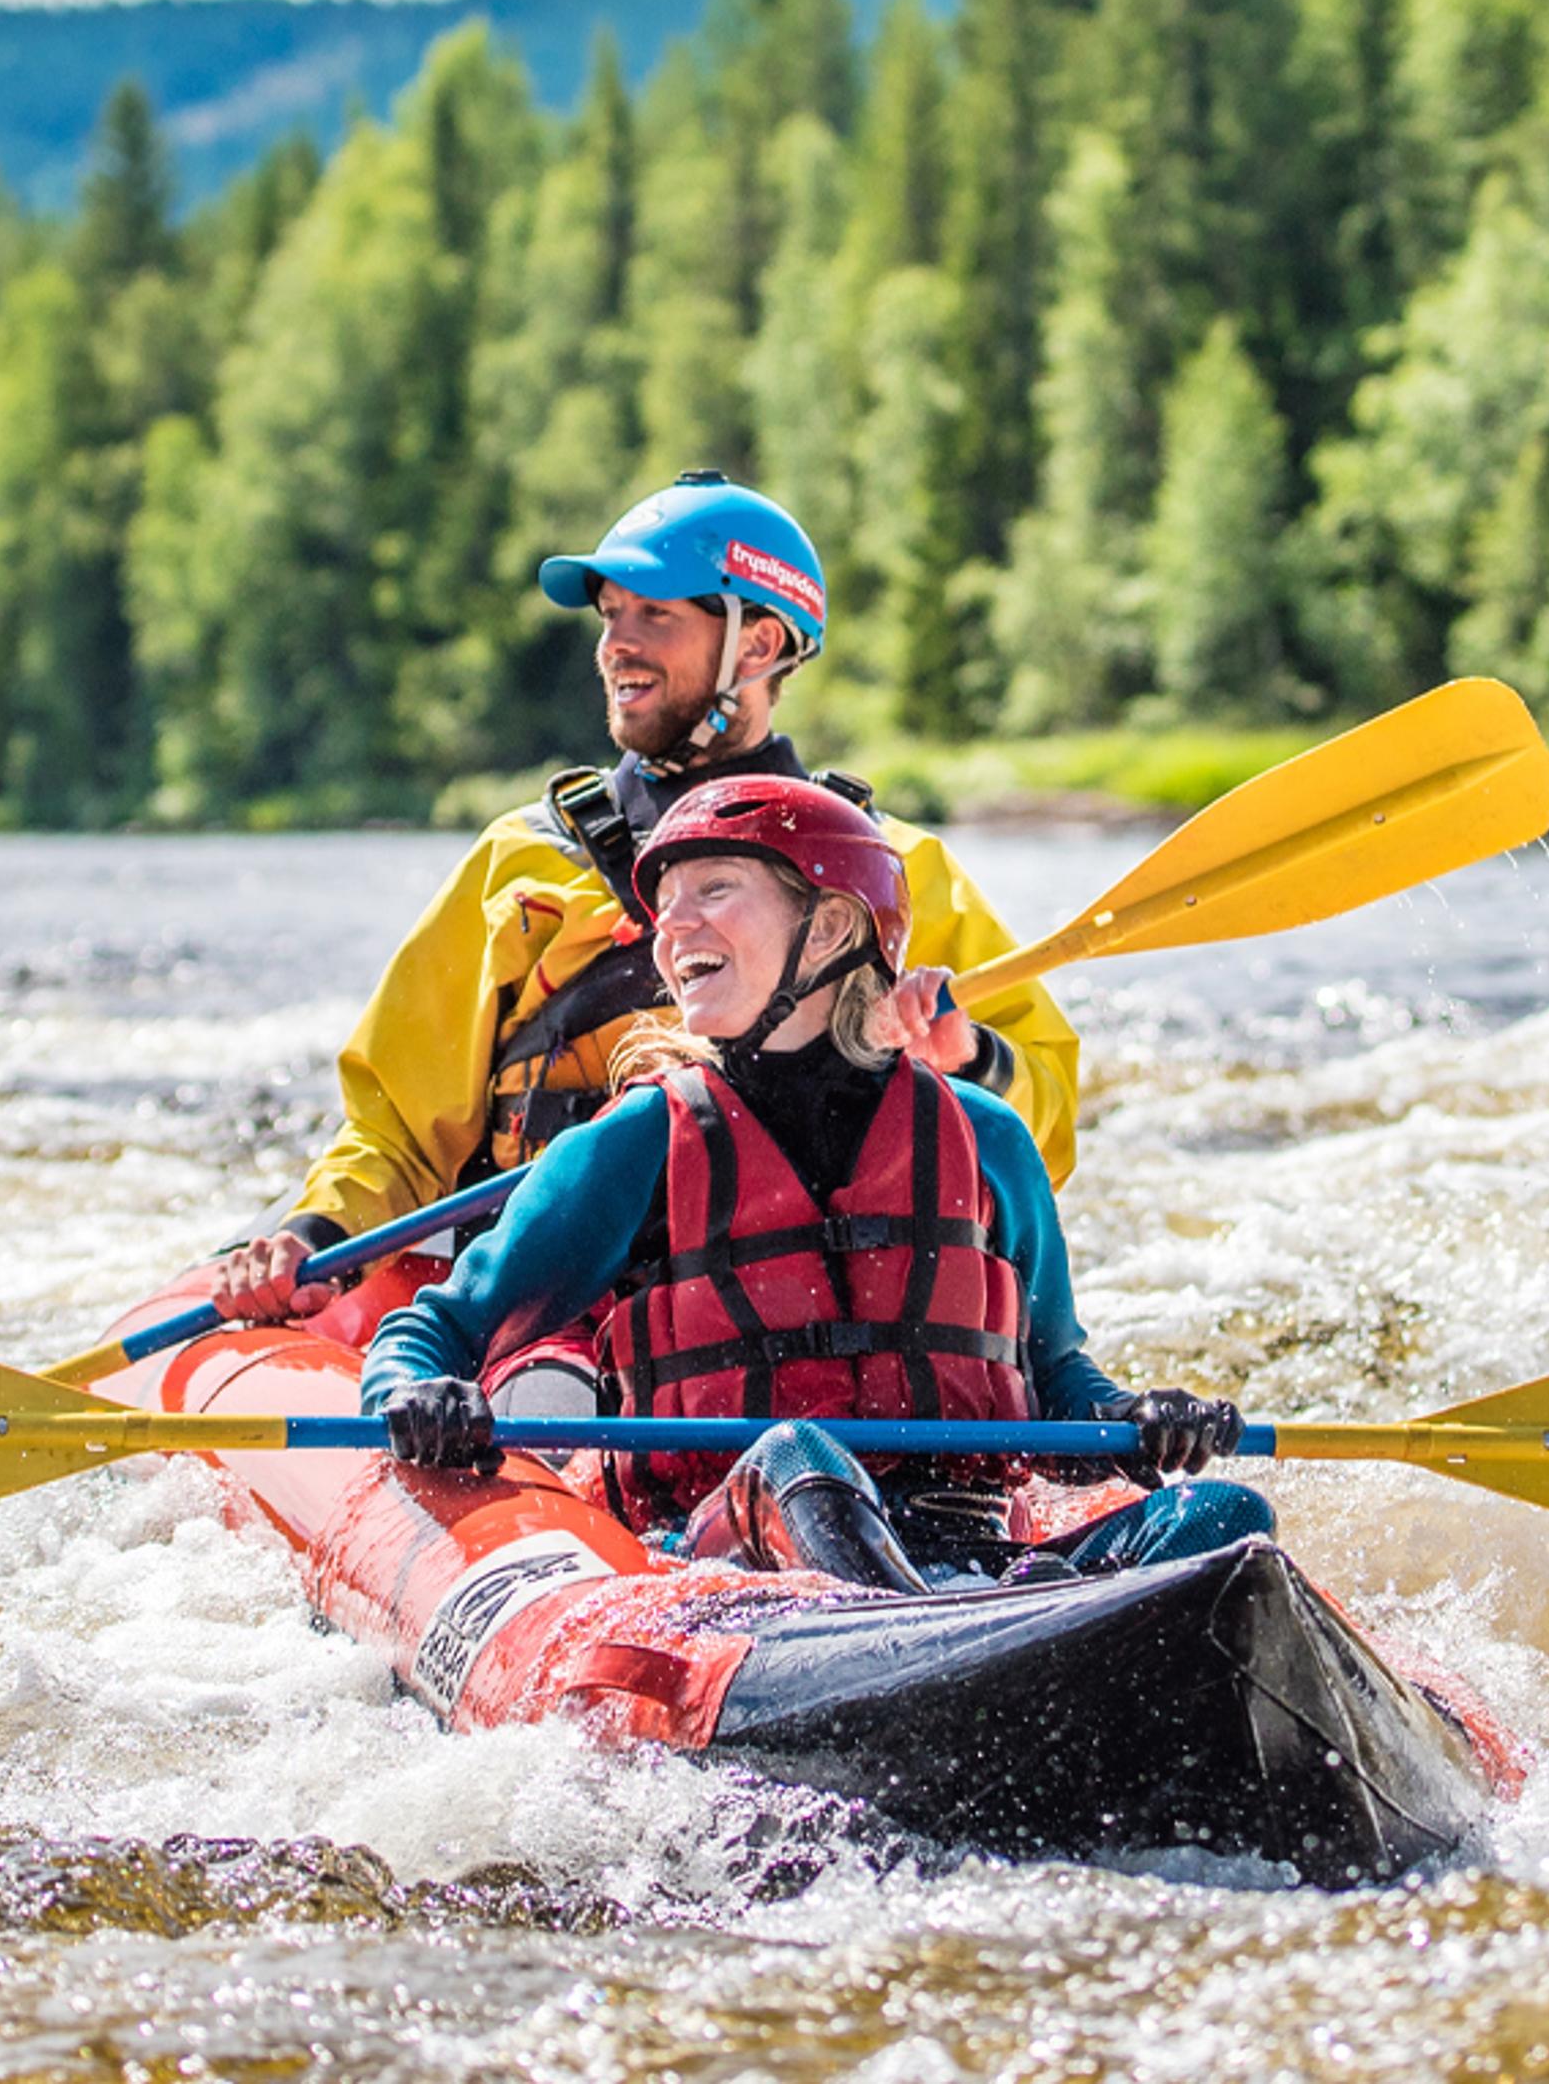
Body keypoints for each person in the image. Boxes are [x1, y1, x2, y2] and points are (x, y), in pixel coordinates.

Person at [214, 473, 1081, 1341]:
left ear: (756, 644)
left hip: (816, 1320)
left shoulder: (891, 872)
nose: (615, 645)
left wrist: (967, 1056)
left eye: (654, 615)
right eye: (610, 615)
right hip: (558, 1323)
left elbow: (1038, 1133)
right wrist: (312, 1236)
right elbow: (399, 1129)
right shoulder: (522, 866)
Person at [357, 777, 1270, 1590]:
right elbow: (439, 1329)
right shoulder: (640, 1142)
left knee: (1224, 1521)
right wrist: (414, 1392)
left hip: (970, 1555)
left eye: (715, 892)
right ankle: (934, 1651)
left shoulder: (985, 1137)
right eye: (667, 904)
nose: (673, 928)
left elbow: (1059, 1375)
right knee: (802, 1458)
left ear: (832, 926)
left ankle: (974, 1635)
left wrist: (1136, 1420)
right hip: (733, 1549)